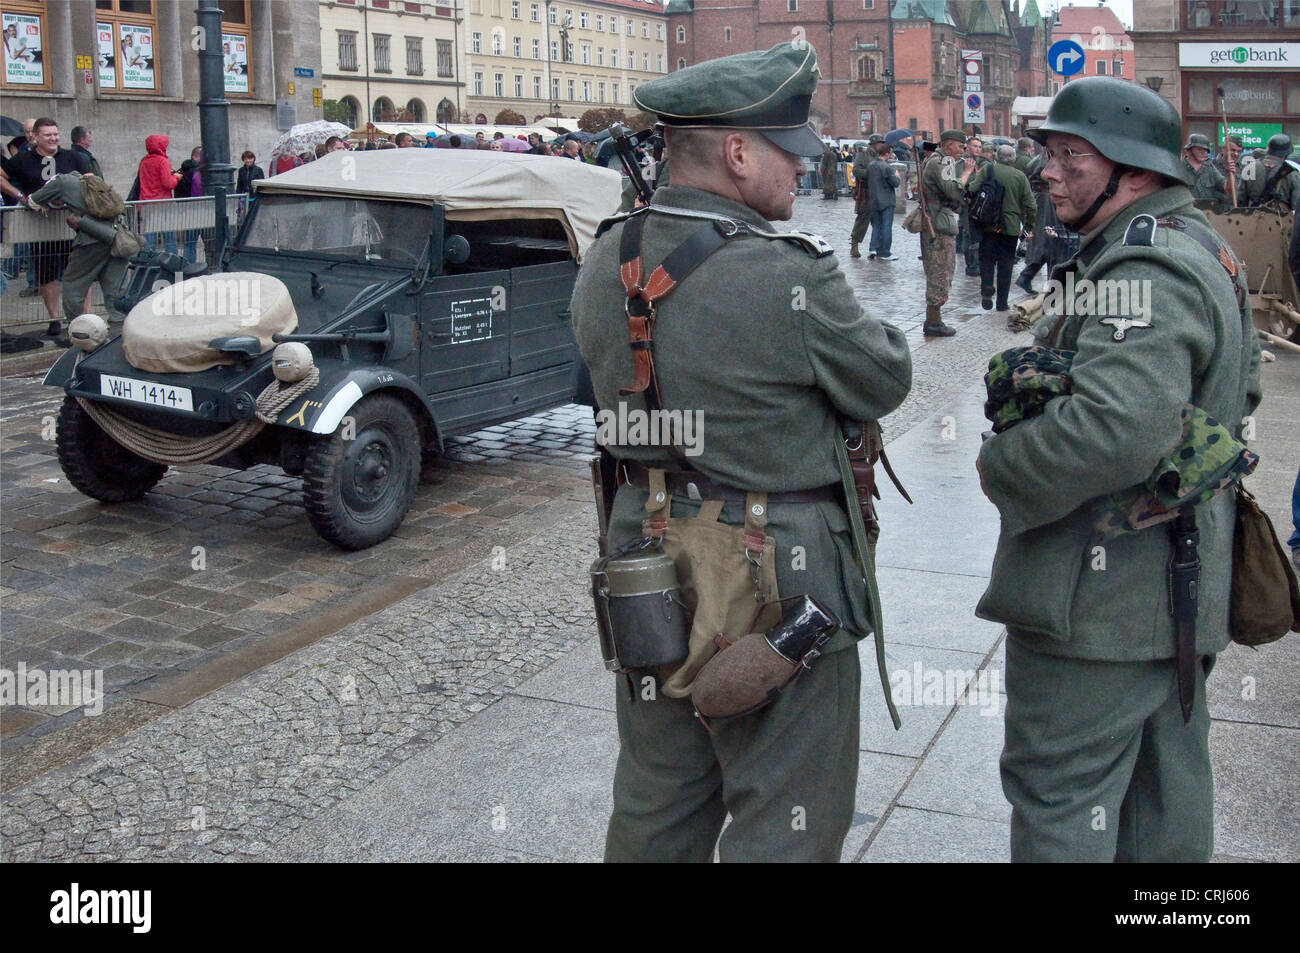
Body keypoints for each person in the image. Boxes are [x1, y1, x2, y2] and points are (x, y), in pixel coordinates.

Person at [571, 41, 912, 863]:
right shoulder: (782, 273)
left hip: (643, 559)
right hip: (770, 572)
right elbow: (885, 375)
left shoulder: (603, 255)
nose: (802, 172)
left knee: (657, 802)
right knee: (787, 814)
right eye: (789, 154)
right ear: (736, 152)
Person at [977, 76, 1261, 863]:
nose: (1049, 172)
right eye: (1049, 154)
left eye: (1071, 155)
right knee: (1158, 813)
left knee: (1062, 802)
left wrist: (1002, 463)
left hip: (1102, 611)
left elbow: (1115, 428)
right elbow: (1241, 388)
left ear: (1134, 174)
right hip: (1166, 594)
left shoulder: (1151, 266)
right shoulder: (1206, 251)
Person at [0, 118, 91, 340]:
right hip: (40, 227)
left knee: (80, 273)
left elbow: (91, 183)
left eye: (56, 134)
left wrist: (80, 204)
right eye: (48, 135)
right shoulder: (23, 159)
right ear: (36, 137)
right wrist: (20, 197)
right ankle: (54, 319)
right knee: (46, 275)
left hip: (71, 225)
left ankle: (86, 318)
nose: (53, 138)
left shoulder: (74, 157)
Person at [26, 171, 129, 328]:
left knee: (73, 284)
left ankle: (78, 328)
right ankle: (119, 330)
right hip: (119, 238)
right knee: (114, 288)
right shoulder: (90, 180)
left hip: (90, 241)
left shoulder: (60, 182)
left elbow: (32, 202)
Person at [965, 143, 1035, 311]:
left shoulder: (988, 170)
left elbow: (972, 189)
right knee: (1006, 263)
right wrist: (1028, 226)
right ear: (1013, 159)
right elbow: (1031, 205)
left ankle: (987, 288)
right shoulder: (1019, 176)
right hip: (1010, 227)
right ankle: (1002, 302)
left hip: (988, 223)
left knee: (986, 259)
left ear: (996, 156)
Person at [919, 130, 975, 336]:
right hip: (939, 223)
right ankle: (933, 321)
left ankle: (934, 319)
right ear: (949, 145)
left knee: (939, 269)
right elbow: (951, 191)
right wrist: (966, 174)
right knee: (940, 271)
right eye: (960, 147)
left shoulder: (935, 160)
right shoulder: (943, 162)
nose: (963, 151)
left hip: (936, 219)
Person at [1240, 133, 1299, 212]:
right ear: (1287, 153)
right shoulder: (1292, 173)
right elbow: (1297, 207)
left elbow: (1240, 202)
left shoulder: (1249, 168)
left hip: (1252, 219)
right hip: (1280, 222)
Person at [866, 141, 901, 261]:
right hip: (886, 200)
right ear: (887, 154)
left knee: (876, 226)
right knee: (886, 226)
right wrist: (897, 176)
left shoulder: (871, 165)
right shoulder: (887, 167)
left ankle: (873, 248)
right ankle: (885, 252)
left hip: (874, 199)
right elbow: (895, 183)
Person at [958, 136, 988, 276]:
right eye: (975, 146)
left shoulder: (983, 164)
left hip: (980, 204)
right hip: (967, 204)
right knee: (968, 234)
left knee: (978, 235)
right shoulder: (962, 163)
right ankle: (972, 265)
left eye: (979, 147)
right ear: (968, 147)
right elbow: (959, 183)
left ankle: (977, 263)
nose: (978, 149)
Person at [1181, 133, 1229, 207]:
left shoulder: (1210, 168)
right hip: (1185, 213)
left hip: (1208, 213)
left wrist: (1229, 175)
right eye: (1199, 149)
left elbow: (1227, 189)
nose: (1204, 152)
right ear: (1189, 150)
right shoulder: (1178, 168)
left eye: (1206, 150)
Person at [849, 143, 873, 257]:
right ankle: (854, 245)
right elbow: (856, 170)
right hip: (865, 192)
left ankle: (877, 248)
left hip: (878, 193)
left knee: (879, 223)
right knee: (862, 220)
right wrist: (872, 173)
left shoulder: (880, 155)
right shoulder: (863, 154)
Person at [1212, 134, 1243, 205]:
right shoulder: (1212, 166)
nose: (1236, 154)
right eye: (1232, 150)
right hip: (1216, 211)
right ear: (1223, 149)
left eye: (1239, 151)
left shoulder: (1243, 168)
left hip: (1237, 211)